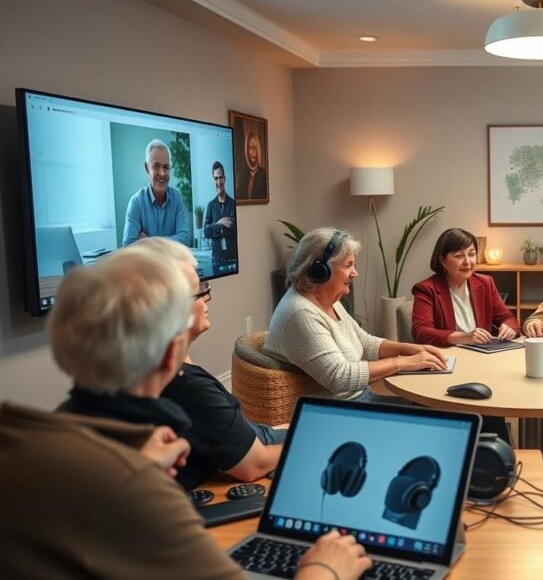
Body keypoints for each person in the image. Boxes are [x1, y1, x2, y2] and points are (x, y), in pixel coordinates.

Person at [3, 248, 370, 580]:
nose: (208, 296)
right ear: (172, 351)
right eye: (200, 291)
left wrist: (135, 458)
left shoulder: (21, 437)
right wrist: (326, 568)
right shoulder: (135, 489)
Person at [133, 237, 282, 489]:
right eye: (199, 291)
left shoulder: (154, 361)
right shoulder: (184, 384)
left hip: (253, 440)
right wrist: (307, 442)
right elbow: (253, 465)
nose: (207, 299)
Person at [264, 228, 448, 401]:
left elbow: (365, 343)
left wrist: (410, 349)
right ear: (320, 270)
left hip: (359, 399)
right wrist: (402, 362)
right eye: (348, 265)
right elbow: (340, 377)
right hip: (337, 413)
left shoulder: (328, 301)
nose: (355, 273)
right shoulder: (301, 313)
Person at [411, 228, 519, 346]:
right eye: (459, 256)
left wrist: (508, 327)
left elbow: (508, 318)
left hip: (482, 354)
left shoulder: (485, 283)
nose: (467, 262)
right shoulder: (426, 289)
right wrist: (463, 337)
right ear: (442, 260)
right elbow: (421, 333)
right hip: (448, 356)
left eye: (472, 254)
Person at [122, 139, 190, 247]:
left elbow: (185, 237)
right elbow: (128, 245)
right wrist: (169, 244)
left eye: (166, 167)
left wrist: (149, 242)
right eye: (156, 166)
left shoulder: (176, 197)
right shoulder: (136, 202)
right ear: (147, 168)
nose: (162, 173)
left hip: (170, 264)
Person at [203, 161, 238, 268]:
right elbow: (206, 232)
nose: (218, 182)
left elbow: (234, 228)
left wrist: (215, 227)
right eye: (216, 178)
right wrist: (220, 223)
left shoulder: (233, 204)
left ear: (225, 179)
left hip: (232, 259)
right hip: (216, 260)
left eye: (220, 177)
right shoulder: (210, 206)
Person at [240, 131, 268, 200]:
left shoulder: (264, 175)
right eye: (250, 148)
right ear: (247, 150)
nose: (253, 151)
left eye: (255, 147)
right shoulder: (243, 175)